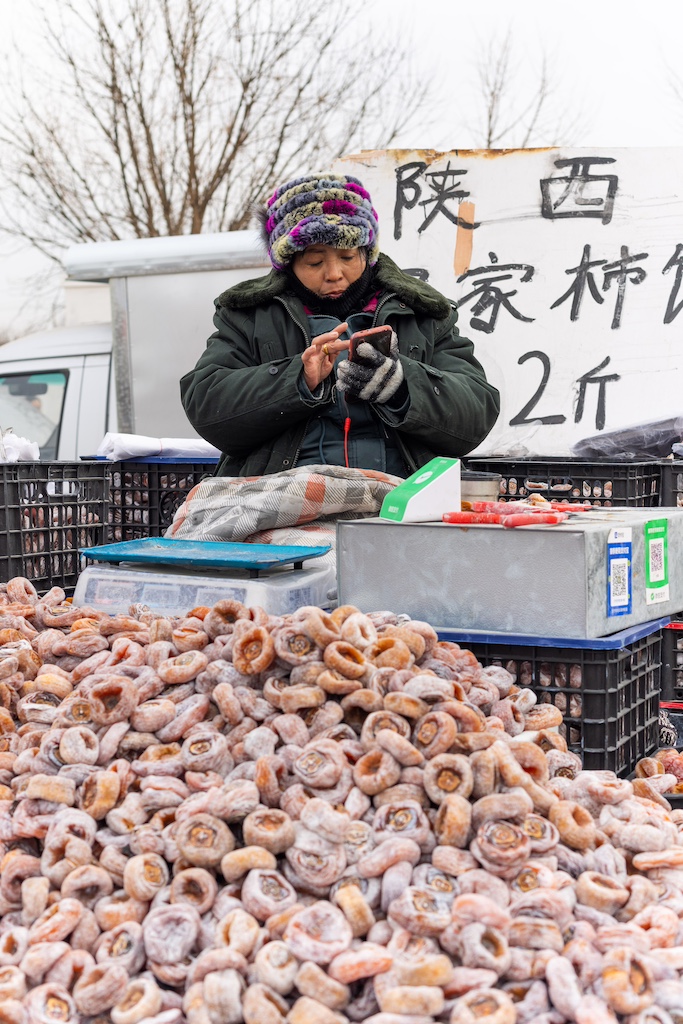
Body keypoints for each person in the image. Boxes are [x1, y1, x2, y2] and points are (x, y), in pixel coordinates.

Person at [180, 173, 500, 478]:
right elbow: (208, 404)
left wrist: (402, 386)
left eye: (347, 256)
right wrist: (298, 379)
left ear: (367, 252)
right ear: (288, 263)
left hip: (402, 503)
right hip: (283, 503)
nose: (333, 273)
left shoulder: (423, 310)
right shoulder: (248, 313)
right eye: (315, 262)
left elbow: (476, 413)